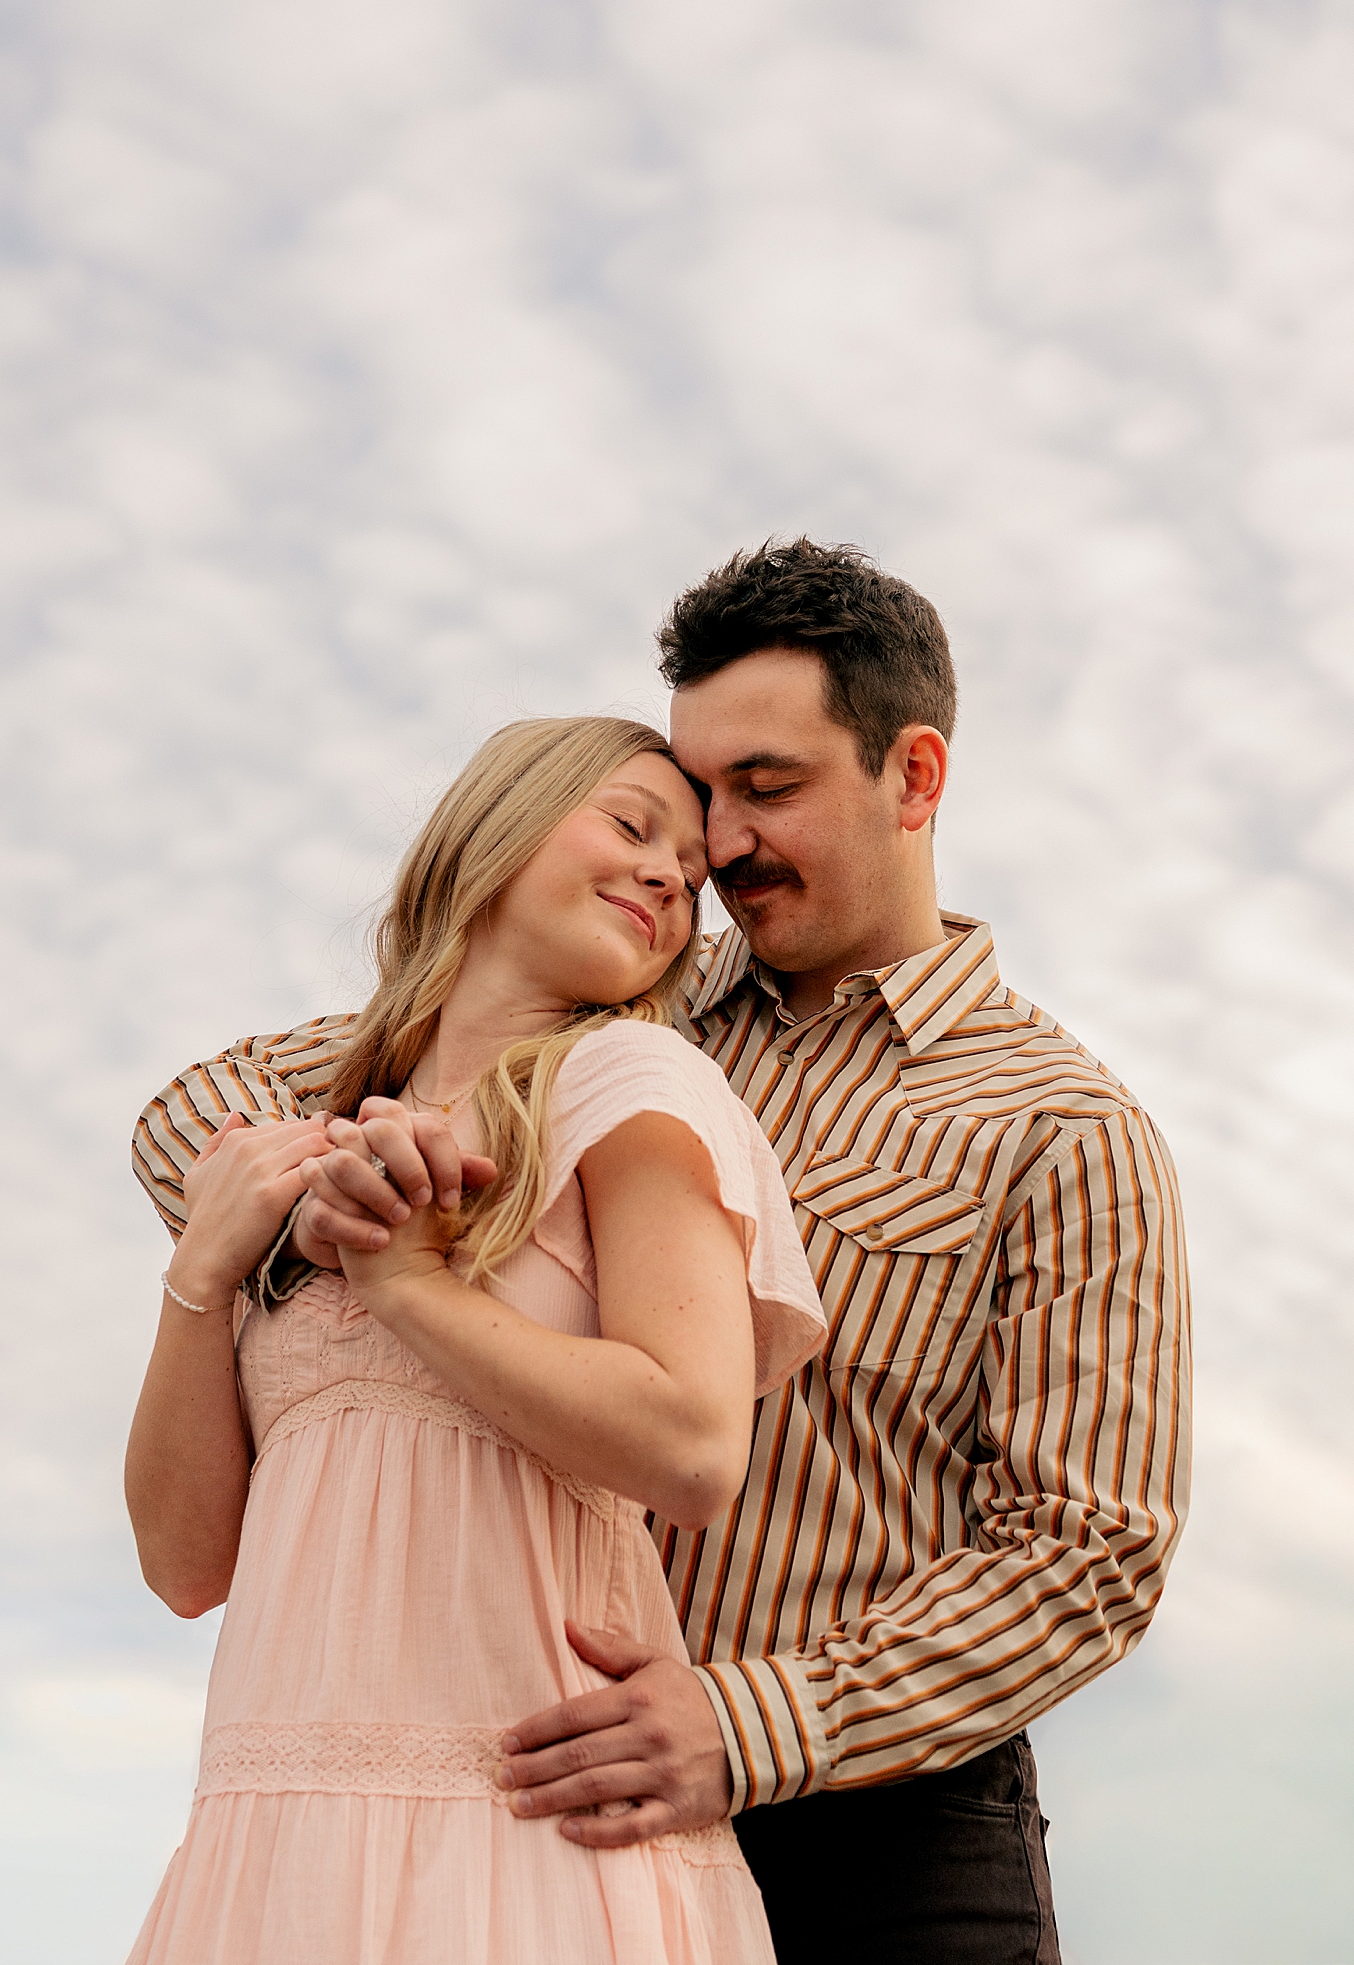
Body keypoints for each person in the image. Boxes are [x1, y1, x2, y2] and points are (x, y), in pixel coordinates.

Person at [139, 541, 1193, 1964]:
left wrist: (754, 1719)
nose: (724, 846)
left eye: (768, 788)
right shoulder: (625, 986)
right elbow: (199, 1113)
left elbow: (1092, 1547)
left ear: (916, 776)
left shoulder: (1060, 1125)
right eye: (700, 803)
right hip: (533, 1788)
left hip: (882, 1826)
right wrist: (339, 1190)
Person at [123, 715, 827, 1965]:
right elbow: (185, 1566)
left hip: (521, 1827)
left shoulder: (633, 1080)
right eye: (630, 824)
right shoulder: (313, 1144)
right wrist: (201, 1272)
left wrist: (410, 1288)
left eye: (693, 874)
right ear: (493, 832)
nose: (672, 873)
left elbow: (695, 1440)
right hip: (274, 1839)